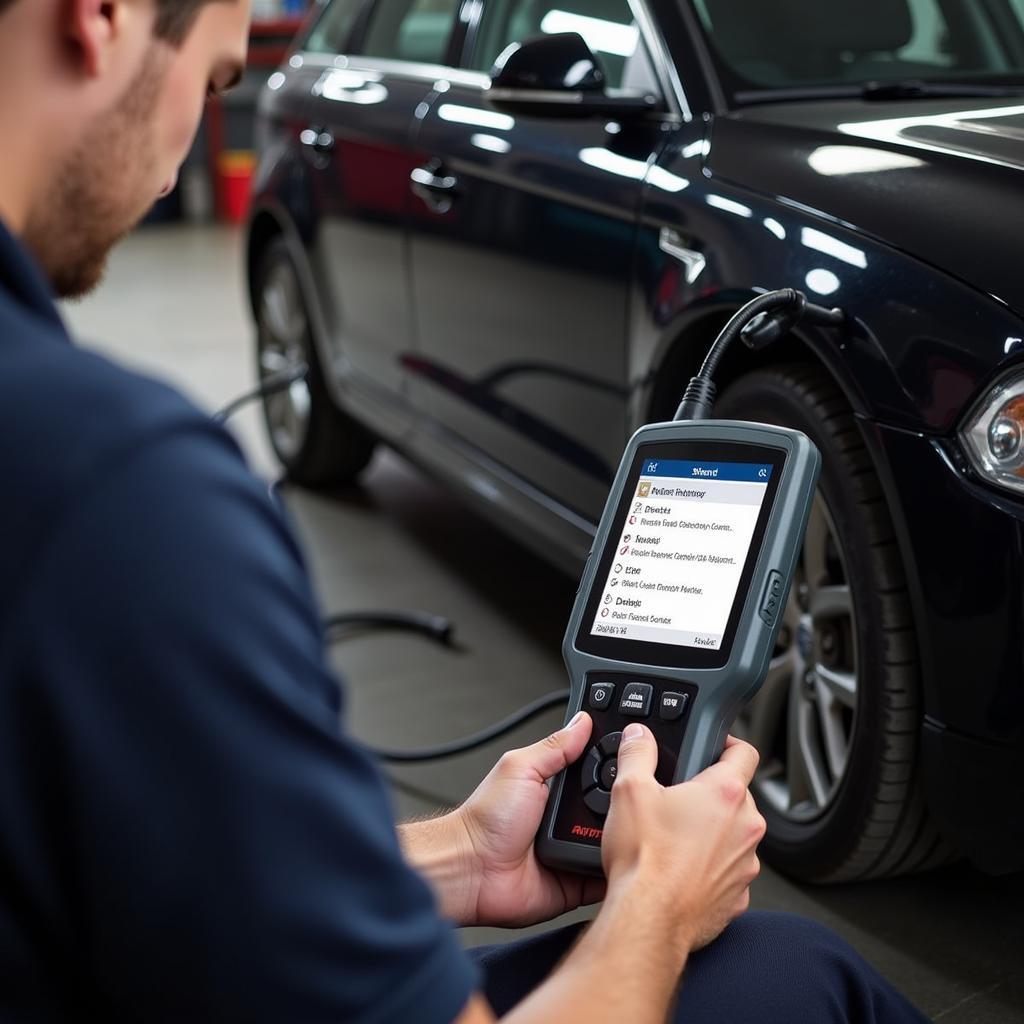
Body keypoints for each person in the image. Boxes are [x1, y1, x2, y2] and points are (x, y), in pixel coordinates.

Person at [0, 1, 931, 1020]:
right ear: (100, 16)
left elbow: (152, 861)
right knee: (808, 973)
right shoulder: (122, 490)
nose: (186, 160)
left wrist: (458, 858)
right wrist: (660, 902)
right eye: (219, 81)